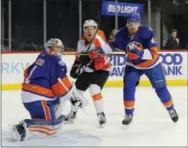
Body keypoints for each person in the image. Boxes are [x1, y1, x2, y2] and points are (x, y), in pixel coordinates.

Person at [10, 38, 87, 141]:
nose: (59, 51)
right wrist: (73, 97)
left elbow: (27, 72)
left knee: (47, 116)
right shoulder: (57, 62)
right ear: (50, 48)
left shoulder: (42, 56)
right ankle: (23, 127)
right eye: (57, 48)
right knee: (52, 129)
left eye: (60, 48)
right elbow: (61, 90)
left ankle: (37, 123)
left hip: (30, 97)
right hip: (39, 99)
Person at [110, 13, 179, 125]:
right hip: (133, 65)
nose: (132, 26)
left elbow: (153, 53)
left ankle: (171, 109)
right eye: (130, 24)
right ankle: (128, 114)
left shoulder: (147, 32)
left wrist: (140, 53)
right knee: (128, 87)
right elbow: (113, 45)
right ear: (127, 24)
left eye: (135, 24)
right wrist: (101, 50)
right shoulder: (121, 34)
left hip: (152, 64)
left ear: (139, 24)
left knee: (161, 88)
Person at [65, 19, 113, 126]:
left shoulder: (99, 40)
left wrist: (97, 56)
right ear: (84, 31)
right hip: (88, 71)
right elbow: (79, 58)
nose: (90, 32)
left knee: (94, 89)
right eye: (87, 29)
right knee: (76, 92)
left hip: (101, 70)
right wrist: (76, 66)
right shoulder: (80, 42)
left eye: (92, 29)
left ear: (96, 30)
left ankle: (101, 115)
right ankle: (72, 114)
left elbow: (107, 57)